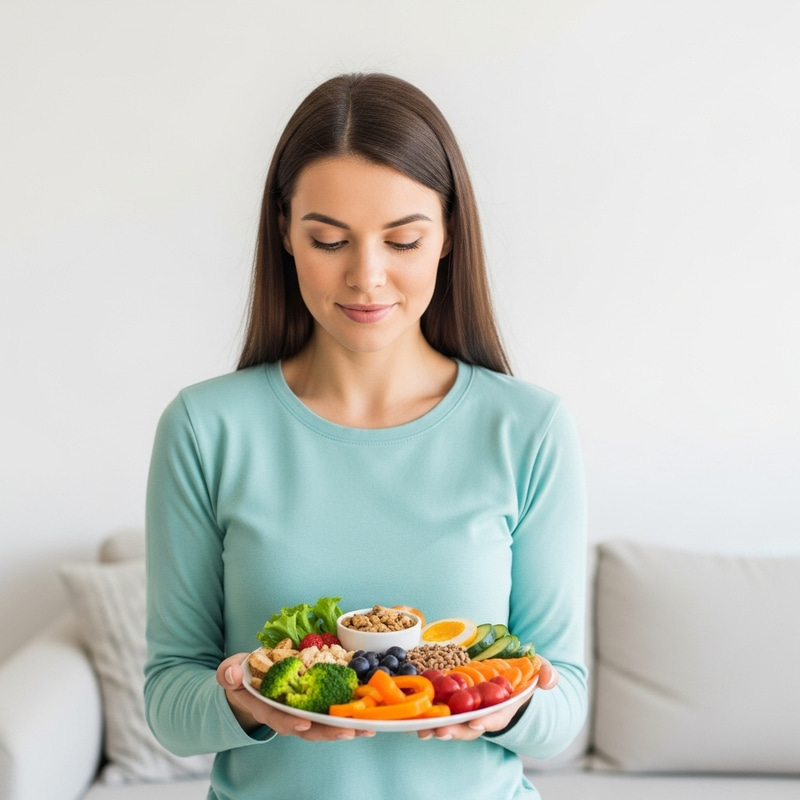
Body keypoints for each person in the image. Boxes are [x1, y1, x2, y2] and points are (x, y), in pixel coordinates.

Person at [144, 72, 588, 799]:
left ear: (447, 236)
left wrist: (503, 707)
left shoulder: (529, 430)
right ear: (285, 231)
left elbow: (562, 700)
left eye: (403, 239)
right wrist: (243, 701)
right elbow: (168, 697)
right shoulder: (205, 428)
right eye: (329, 239)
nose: (367, 277)